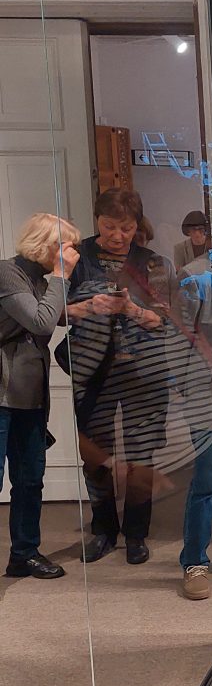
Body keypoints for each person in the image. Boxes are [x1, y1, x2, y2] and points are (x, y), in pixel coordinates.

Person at [67, 188, 174, 565]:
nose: (117, 235)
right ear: (97, 219)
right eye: (109, 226)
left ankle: (136, 534)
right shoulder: (76, 257)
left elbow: (168, 321)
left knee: (141, 454)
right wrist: (86, 307)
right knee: (94, 454)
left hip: (143, 370)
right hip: (92, 370)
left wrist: (132, 310)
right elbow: (51, 312)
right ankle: (103, 530)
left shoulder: (153, 263)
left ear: (137, 225)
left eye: (126, 228)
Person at [0, 213, 81, 579]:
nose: (72, 253)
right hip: (3, 395)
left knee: (30, 480)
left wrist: (83, 307)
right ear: (46, 245)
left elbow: (46, 315)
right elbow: (40, 321)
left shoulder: (38, 280)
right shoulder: (7, 272)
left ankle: (24, 554)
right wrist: (62, 275)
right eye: (66, 246)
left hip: (30, 397)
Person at [175, 246, 212, 599]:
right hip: (209, 397)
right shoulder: (196, 277)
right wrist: (188, 390)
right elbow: (177, 337)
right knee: (208, 480)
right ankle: (194, 561)